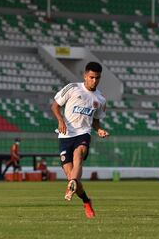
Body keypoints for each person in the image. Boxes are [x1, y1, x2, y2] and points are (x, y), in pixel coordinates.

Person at [51, 62, 109, 218]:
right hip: (65, 135)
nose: (94, 81)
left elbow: (96, 120)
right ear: (85, 76)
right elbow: (55, 106)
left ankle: (71, 185)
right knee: (72, 178)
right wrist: (60, 120)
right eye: (91, 77)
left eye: (97, 78)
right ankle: (86, 200)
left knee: (79, 155)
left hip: (83, 133)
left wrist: (99, 130)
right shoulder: (72, 88)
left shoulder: (101, 99)